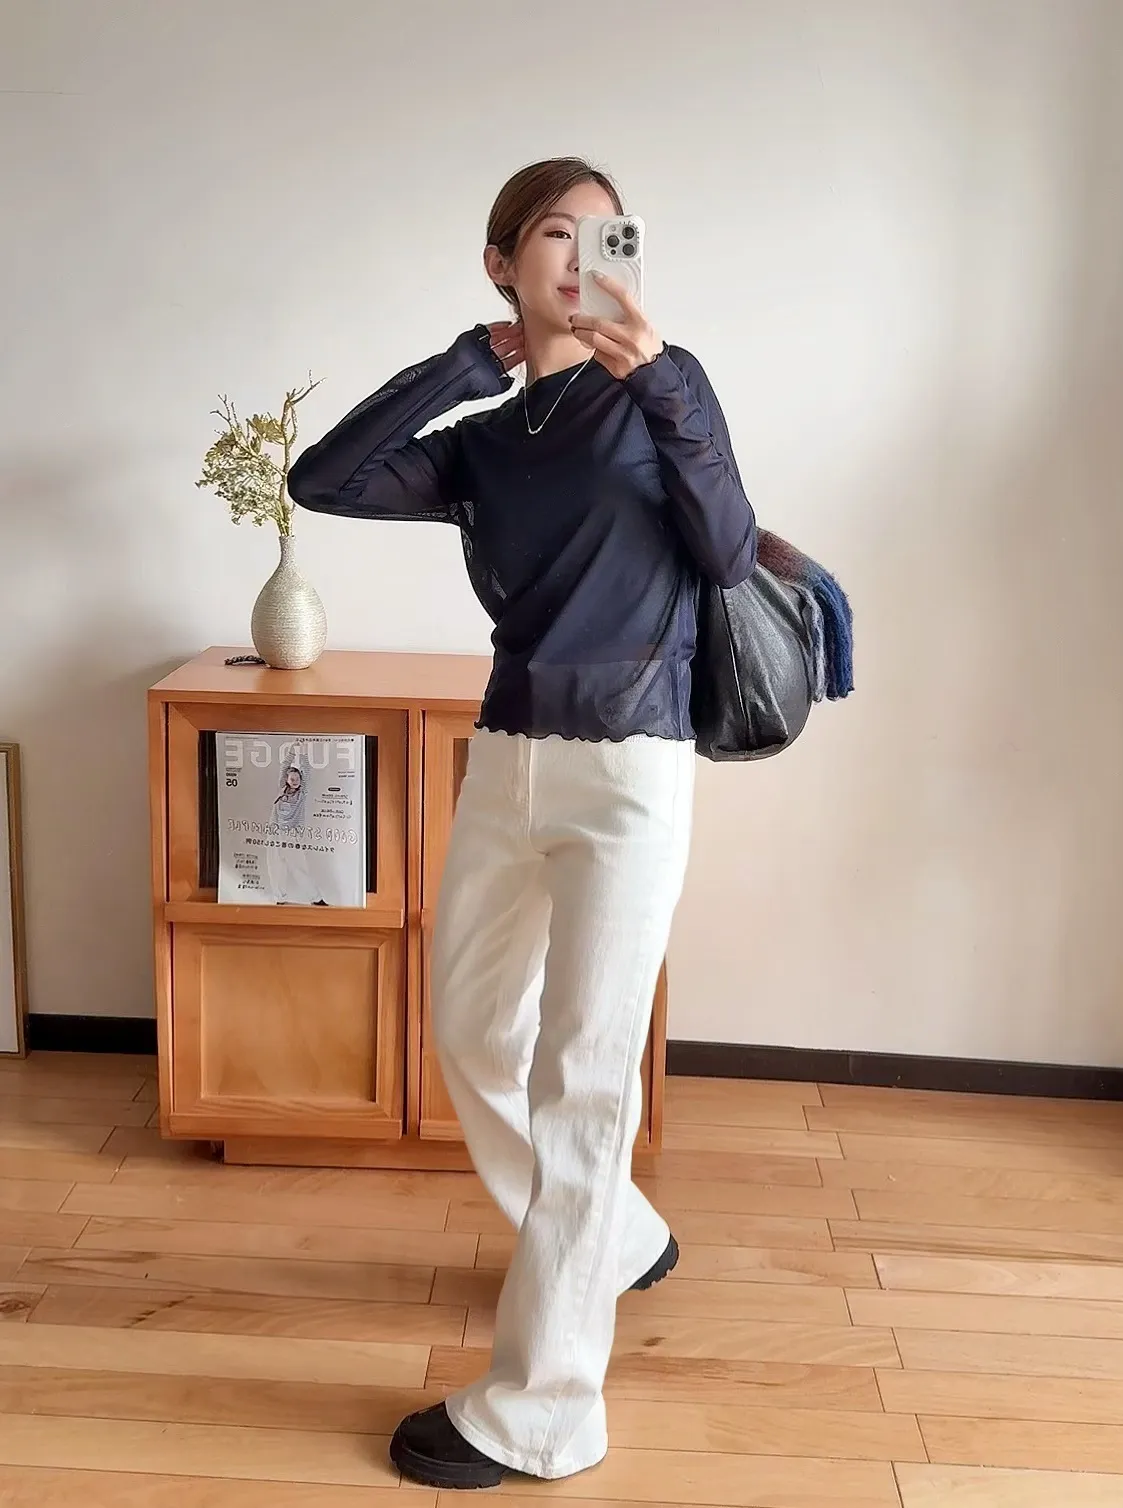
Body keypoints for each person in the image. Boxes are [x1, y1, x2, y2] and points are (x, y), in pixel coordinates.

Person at [287, 157, 757, 1490]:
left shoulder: (660, 395)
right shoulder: (486, 439)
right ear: (502, 264)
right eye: (553, 233)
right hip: (507, 756)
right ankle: (616, 1238)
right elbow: (325, 480)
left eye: (604, 234)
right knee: (470, 1030)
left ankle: (545, 1410)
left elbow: (727, 548)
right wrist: (460, 367)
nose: (579, 256)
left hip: (632, 765)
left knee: (583, 1074)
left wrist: (660, 378)